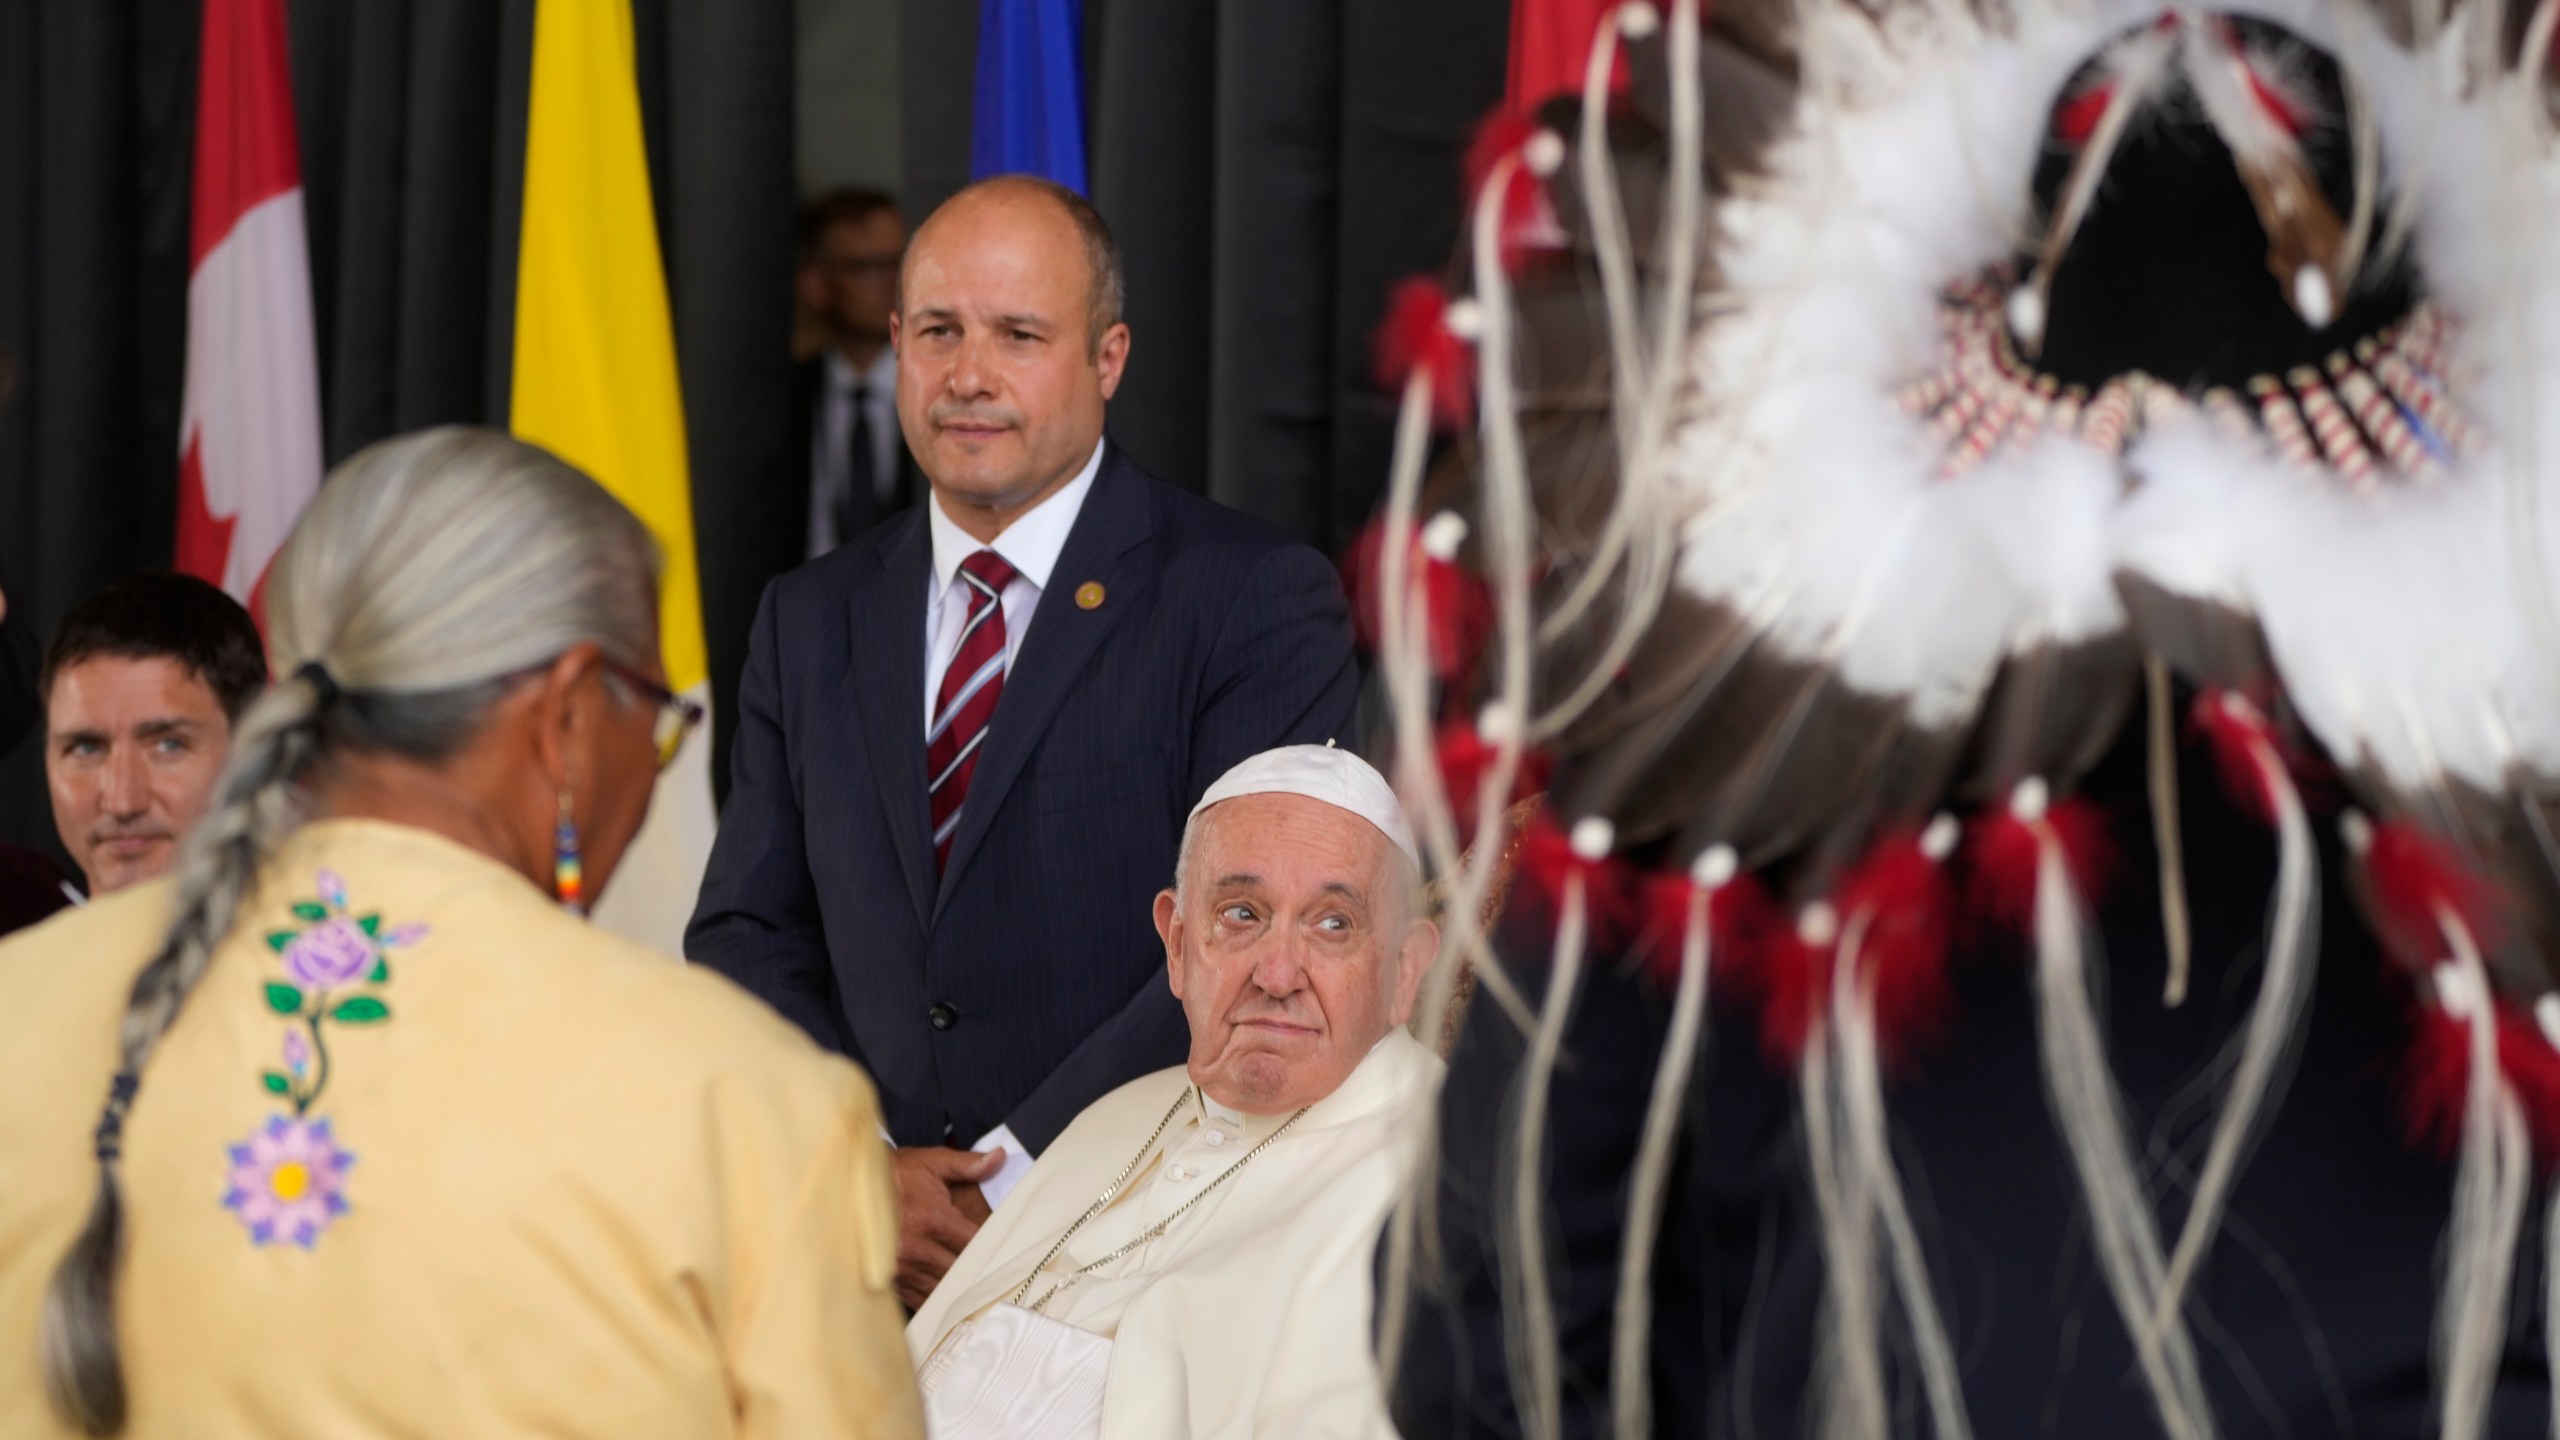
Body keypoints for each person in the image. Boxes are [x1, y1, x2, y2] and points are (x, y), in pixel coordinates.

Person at [0, 427, 921, 1439]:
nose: (655, 765)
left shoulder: (25, 1002)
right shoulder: (743, 1104)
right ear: (567, 712)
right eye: (656, 716)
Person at [688, 174, 1361, 1310]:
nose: (968, 376)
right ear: (896, 344)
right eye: (939, 332)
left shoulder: (1251, 599)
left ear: (1107, 359)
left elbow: (1248, 941)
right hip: (861, 1252)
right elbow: (749, 931)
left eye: (1018, 335)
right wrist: (858, 1158)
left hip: (1144, 1245)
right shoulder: (808, 618)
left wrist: (1012, 1180)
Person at [909, 744, 1439, 1439]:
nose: (1277, 973)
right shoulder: (1120, 1115)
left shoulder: (1442, 1176)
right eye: (1242, 914)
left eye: (1333, 924)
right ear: (1179, 944)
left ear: (1404, 970)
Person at [703, 190, 920, 805]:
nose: (888, 284)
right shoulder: (773, 402)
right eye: (865, 267)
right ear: (816, 283)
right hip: (806, 664)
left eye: (896, 265)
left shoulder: (950, 404)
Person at [38, 572, 266, 898]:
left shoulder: (334, 939)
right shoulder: (18, 946)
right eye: (86, 748)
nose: (122, 802)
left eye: (168, 745)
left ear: (255, 752)